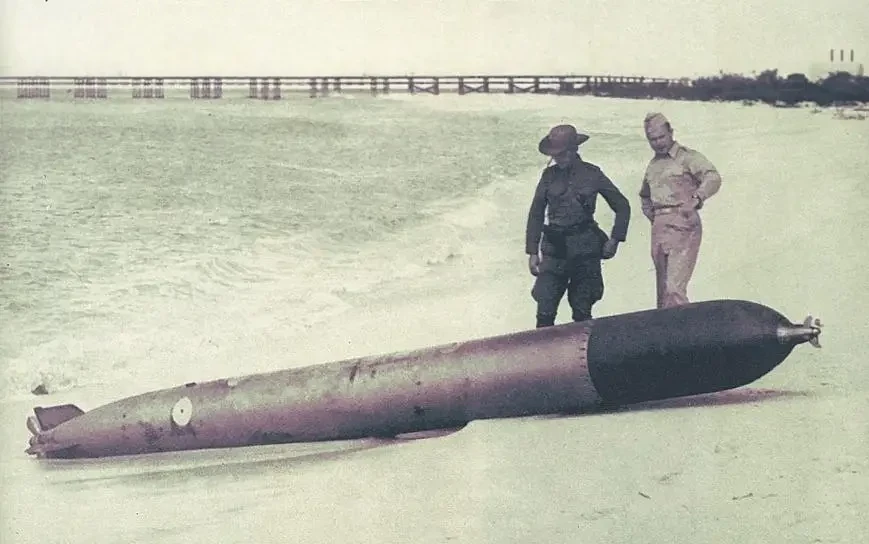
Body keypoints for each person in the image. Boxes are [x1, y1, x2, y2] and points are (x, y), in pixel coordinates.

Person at [525, 124, 631, 328]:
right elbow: (536, 213)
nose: (559, 158)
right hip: (554, 251)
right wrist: (532, 252)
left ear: (574, 150)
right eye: (555, 155)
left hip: (585, 251)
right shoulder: (548, 176)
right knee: (545, 308)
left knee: (582, 309)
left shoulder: (593, 173)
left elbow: (622, 206)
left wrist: (615, 240)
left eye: (563, 153)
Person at [639, 112, 722, 309]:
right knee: (662, 293)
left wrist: (696, 199)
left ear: (671, 132)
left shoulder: (687, 157)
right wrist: (655, 218)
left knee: (674, 288)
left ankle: (686, 327)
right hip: (660, 228)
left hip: (683, 224)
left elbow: (713, 177)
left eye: (661, 137)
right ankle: (665, 327)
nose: (658, 143)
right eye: (652, 140)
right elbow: (645, 195)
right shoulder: (653, 165)